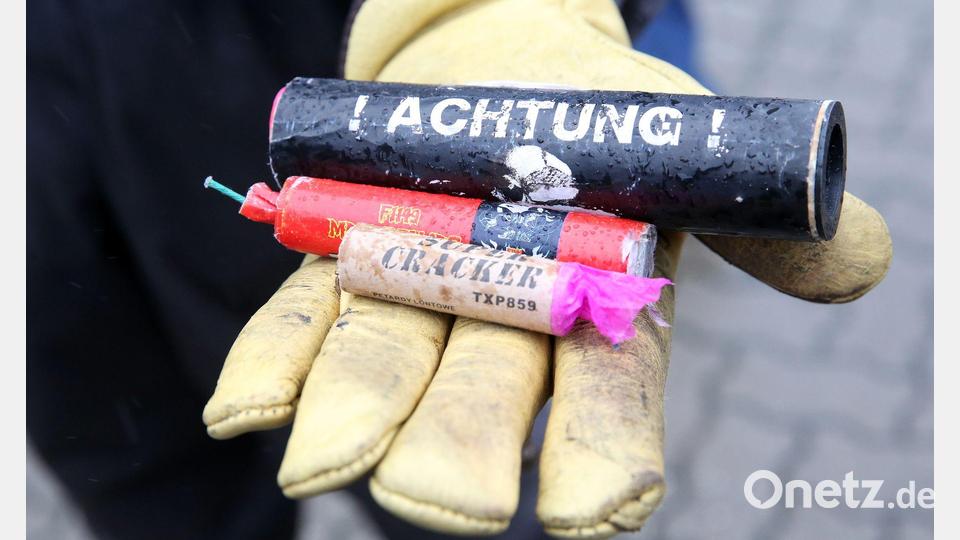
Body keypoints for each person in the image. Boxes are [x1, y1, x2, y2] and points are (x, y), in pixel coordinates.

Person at [27, 1, 892, 539]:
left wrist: (461, 5)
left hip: (339, 67)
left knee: (462, 486)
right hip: (60, 239)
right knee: (151, 487)